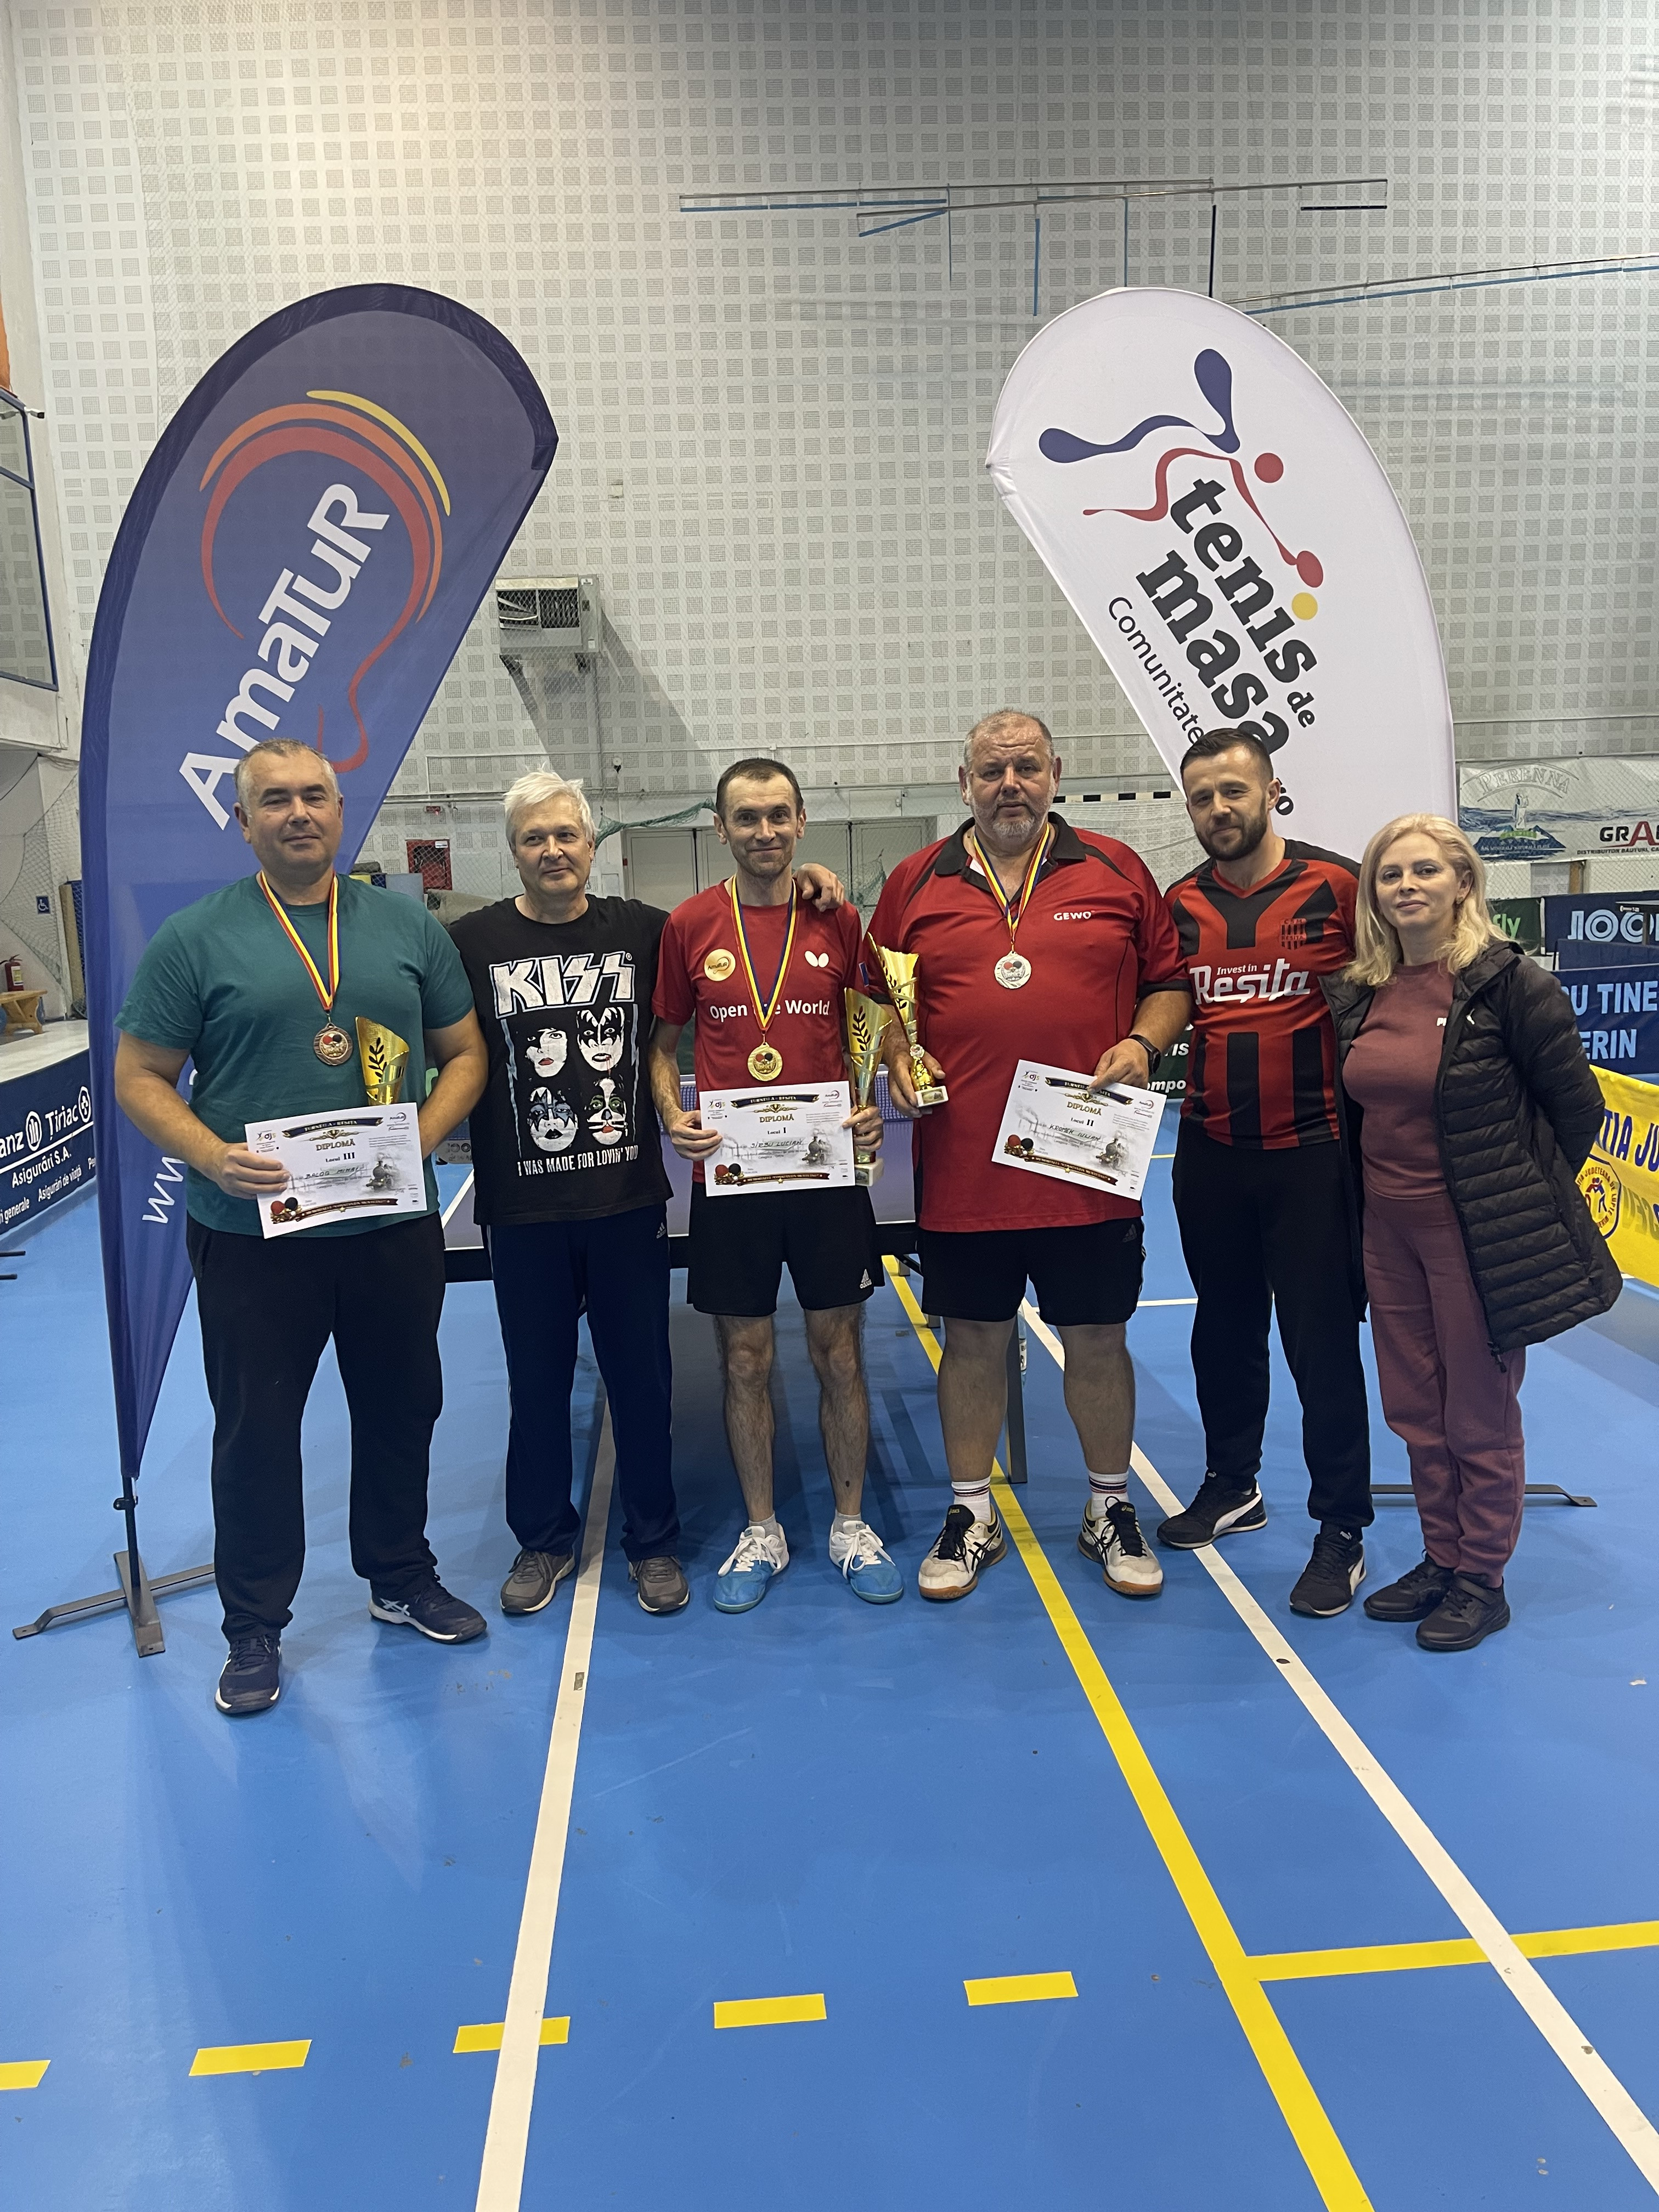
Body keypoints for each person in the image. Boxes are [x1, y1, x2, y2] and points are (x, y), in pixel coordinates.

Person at [113, 738, 490, 1717]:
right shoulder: (195, 939)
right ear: (244, 823)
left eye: (315, 795)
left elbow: (464, 1054)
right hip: (252, 1238)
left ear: (340, 810)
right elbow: (139, 1076)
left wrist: (423, 1137)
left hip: (389, 1226)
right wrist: (209, 1155)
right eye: (274, 800)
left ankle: (400, 1576)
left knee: (403, 1408)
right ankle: (254, 1626)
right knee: (257, 1431)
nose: (298, 813)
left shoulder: (405, 927)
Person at [873, 710, 1189, 1602]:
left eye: (1025, 768)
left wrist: (1144, 1044)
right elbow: (878, 995)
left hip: (1085, 1168)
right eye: (991, 770)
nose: (1009, 784)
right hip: (964, 1170)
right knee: (972, 1341)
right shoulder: (914, 882)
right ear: (964, 783)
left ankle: (1109, 1506)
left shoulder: (1117, 869)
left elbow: (1170, 983)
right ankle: (972, 1513)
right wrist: (896, 1054)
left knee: (1098, 1339)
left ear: (1056, 773)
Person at [1328, 814, 1618, 1651]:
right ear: (1374, 895)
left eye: (1425, 870)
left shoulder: (1509, 985)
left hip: (1474, 1237)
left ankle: (1482, 1578)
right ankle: (1442, 1557)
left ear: (1463, 883)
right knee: (1416, 1408)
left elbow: (1577, 1111)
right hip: (1387, 1233)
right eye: (1390, 874)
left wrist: (1512, 1199)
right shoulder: (1361, 991)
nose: (1407, 886)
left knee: (1477, 1413)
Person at [647, 757, 901, 1612]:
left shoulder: (840, 919)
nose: (765, 831)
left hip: (827, 1175)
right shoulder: (689, 926)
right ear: (720, 828)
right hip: (733, 1176)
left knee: (841, 1353)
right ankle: (763, 1529)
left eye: (779, 816)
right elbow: (661, 1047)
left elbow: (876, 1026)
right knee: (745, 1359)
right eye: (747, 818)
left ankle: (850, 1525)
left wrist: (870, 1106)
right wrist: (672, 1114)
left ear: (801, 823)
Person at [448, 771, 689, 1618]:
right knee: (538, 1387)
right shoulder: (470, 941)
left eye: (566, 835)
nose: (552, 850)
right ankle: (544, 1539)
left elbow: (733, 926)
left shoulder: (645, 930)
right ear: (513, 851)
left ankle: (654, 1542)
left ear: (592, 843)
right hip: (523, 1213)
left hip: (626, 1203)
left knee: (644, 1384)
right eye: (533, 838)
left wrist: (812, 884)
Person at [1157, 729, 1374, 1618]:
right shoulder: (1180, 903)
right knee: (1224, 1328)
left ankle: (1343, 1526)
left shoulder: (1339, 887)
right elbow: (1161, 999)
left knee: (1321, 1344)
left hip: (1313, 1155)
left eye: (1233, 791)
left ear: (1272, 791)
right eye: (1202, 797)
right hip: (1211, 1153)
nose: (1219, 809)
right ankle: (1232, 1483)